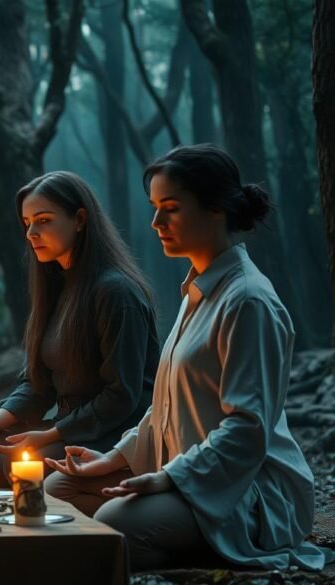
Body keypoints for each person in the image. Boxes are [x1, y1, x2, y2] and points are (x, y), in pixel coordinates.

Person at [45, 144, 333, 571]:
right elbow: (163, 406)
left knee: (113, 522)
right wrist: (114, 459)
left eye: (171, 208)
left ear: (216, 209)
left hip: (245, 490)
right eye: (155, 208)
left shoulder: (248, 301)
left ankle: (202, 560)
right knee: (59, 488)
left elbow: (246, 430)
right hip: (184, 476)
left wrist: (168, 479)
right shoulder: (196, 292)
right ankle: (152, 546)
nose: (156, 222)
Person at [0, 171, 158, 487]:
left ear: (80, 219)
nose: (31, 232)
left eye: (43, 220)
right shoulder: (57, 287)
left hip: (112, 434)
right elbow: (37, 384)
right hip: (65, 425)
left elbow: (122, 396)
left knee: (19, 467)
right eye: (27, 222)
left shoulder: (115, 292)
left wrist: (49, 435)